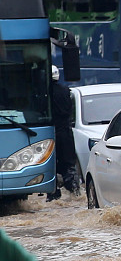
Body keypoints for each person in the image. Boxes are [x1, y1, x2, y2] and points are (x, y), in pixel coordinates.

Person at [47, 65, 79, 199]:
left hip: (51, 132)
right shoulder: (66, 90)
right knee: (69, 164)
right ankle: (74, 190)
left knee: (50, 163)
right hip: (65, 133)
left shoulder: (45, 91)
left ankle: (53, 193)